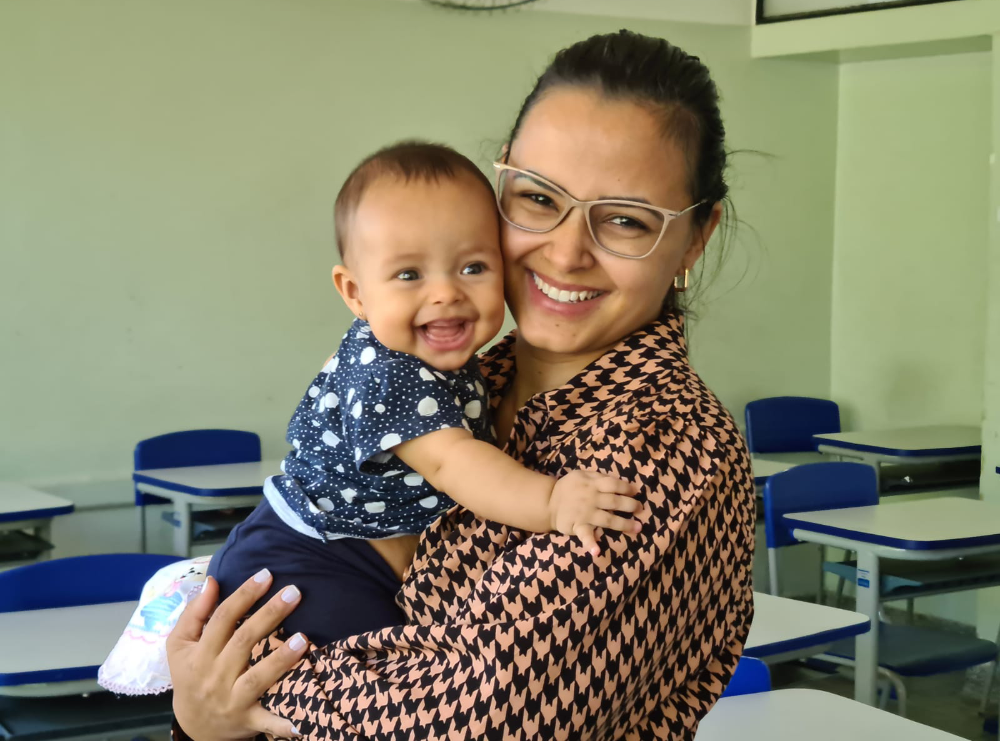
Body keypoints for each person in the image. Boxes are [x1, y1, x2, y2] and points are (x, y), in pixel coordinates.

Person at [167, 29, 756, 741]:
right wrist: (199, 715)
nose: (566, 252)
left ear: (695, 238)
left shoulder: (668, 448)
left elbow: (478, 722)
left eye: (626, 220)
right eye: (539, 199)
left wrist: (237, 693)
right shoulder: (467, 376)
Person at [207, 141, 641, 647]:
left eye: (473, 267)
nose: (446, 293)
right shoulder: (388, 372)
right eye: (409, 275)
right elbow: (452, 464)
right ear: (355, 293)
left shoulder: (443, 357)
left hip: (355, 560)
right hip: (308, 563)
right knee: (376, 693)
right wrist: (552, 501)